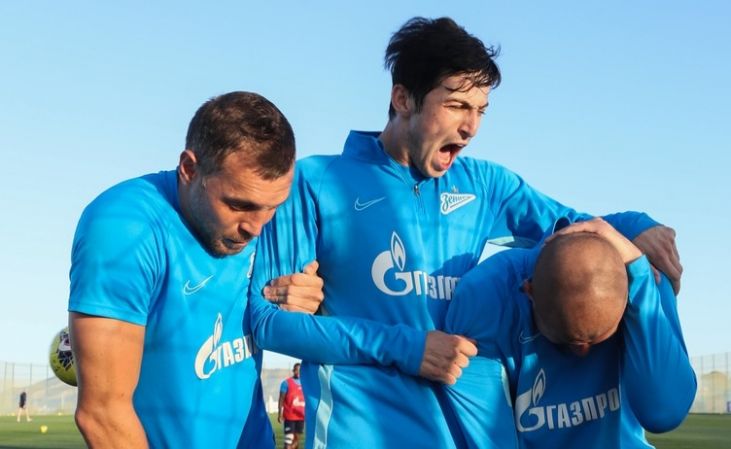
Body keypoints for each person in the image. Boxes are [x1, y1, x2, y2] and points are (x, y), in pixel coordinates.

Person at [253, 16, 683, 449]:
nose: (471, 126)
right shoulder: (316, 183)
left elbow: (573, 231)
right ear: (403, 99)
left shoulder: (485, 185)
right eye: (458, 105)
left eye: (481, 110)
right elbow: (266, 322)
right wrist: (407, 347)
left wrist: (637, 227)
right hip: (362, 434)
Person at [68, 91, 470, 449]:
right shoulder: (125, 227)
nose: (256, 228)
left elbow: (297, 305)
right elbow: (102, 413)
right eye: (239, 205)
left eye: (272, 207)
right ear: (189, 169)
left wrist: (314, 298)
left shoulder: (266, 227)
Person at [443, 218, 697, 448]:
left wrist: (641, 282)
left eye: (599, 338)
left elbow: (664, 411)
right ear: (529, 292)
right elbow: (488, 437)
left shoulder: (644, 276)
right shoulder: (485, 298)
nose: (583, 351)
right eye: (570, 339)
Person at [278, 363, 305, 449]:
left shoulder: (306, 383)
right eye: (296, 370)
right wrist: (279, 414)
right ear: (293, 371)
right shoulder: (286, 383)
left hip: (301, 416)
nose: (298, 372)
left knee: (296, 441)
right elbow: (281, 399)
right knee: (288, 441)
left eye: (300, 370)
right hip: (289, 416)